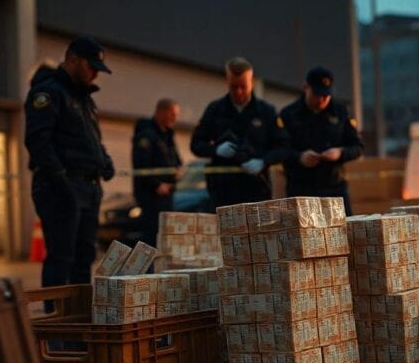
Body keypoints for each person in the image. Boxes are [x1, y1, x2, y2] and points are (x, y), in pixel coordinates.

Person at [24, 36, 116, 288]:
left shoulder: (84, 99)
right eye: (91, 67)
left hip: (88, 187)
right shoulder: (48, 92)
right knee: (61, 258)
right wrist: (61, 182)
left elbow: (92, 138)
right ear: (73, 59)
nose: (95, 75)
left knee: (84, 258)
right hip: (60, 187)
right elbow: (38, 142)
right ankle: (55, 311)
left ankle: (79, 311)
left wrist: (104, 161)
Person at [190, 57, 288, 210]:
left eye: (243, 86)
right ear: (227, 82)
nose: (238, 92)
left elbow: (283, 147)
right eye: (233, 87)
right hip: (223, 192)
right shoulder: (215, 110)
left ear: (252, 82)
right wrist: (215, 150)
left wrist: (263, 161)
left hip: (257, 190)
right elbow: (196, 144)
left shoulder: (266, 112)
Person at [279, 67, 363, 215]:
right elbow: (279, 150)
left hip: (334, 189)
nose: (322, 100)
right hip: (301, 190)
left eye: (326, 95)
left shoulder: (341, 112)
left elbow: (357, 147)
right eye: (317, 95)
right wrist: (299, 157)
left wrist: (340, 153)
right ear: (306, 88)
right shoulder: (289, 114)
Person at [132, 98, 183, 246]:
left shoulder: (167, 135)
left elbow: (176, 160)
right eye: (172, 114)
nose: (175, 118)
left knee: (164, 236)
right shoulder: (146, 134)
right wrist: (157, 185)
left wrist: (178, 171)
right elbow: (141, 166)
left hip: (167, 194)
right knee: (151, 235)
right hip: (151, 194)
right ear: (161, 112)